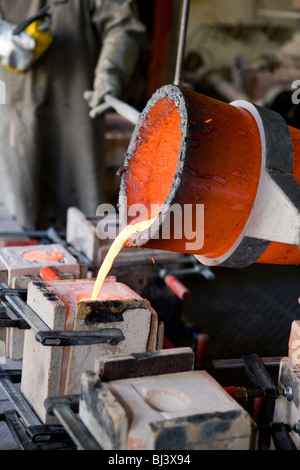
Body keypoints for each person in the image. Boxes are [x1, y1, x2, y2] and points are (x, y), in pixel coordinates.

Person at [0, 0, 147, 230]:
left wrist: (110, 72)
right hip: (13, 111)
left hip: (76, 112)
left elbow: (123, 25)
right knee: (18, 217)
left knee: (83, 220)